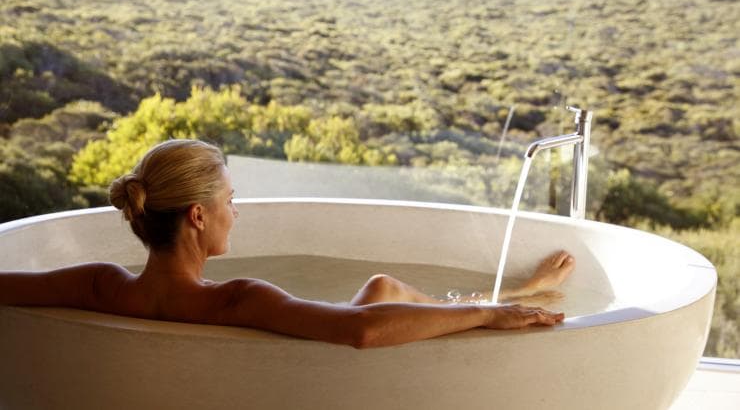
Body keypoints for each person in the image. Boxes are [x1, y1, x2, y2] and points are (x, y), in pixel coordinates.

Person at [0, 139, 575, 348]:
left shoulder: (96, 284)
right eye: (230, 199)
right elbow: (363, 331)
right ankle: (507, 295)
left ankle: (510, 292)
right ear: (198, 216)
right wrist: (487, 318)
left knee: (380, 288)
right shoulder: (235, 300)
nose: (237, 210)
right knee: (381, 290)